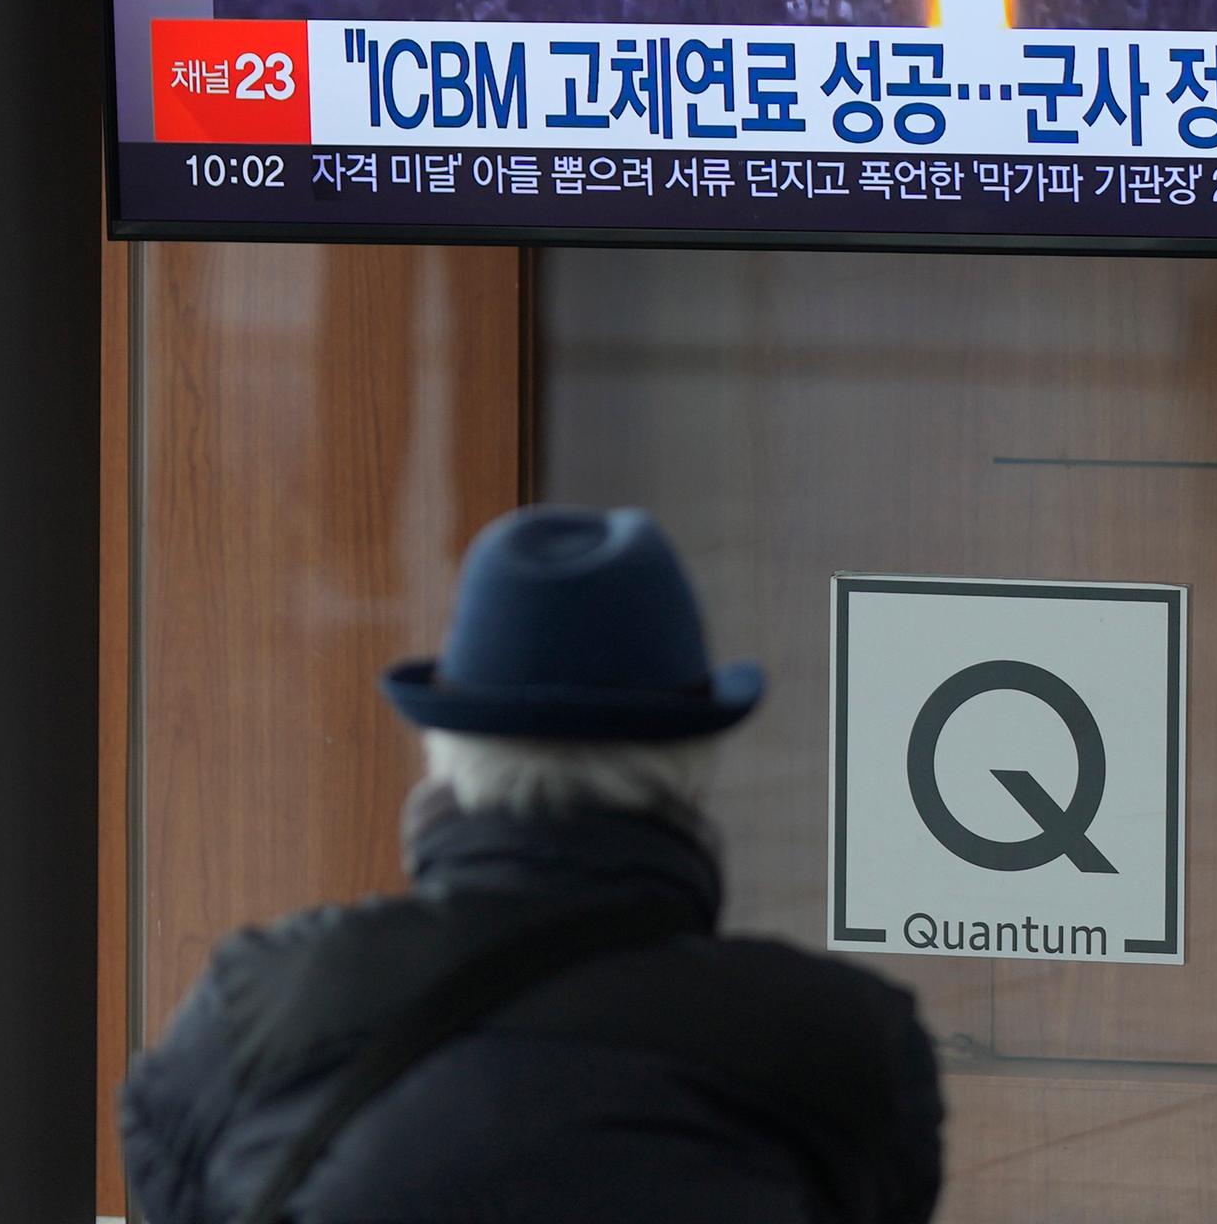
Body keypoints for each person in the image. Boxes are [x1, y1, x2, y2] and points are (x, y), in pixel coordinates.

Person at [121, 507, 947, 1224]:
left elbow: (173, 1182)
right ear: (692, 773)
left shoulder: (257, 1014)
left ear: (445, 760)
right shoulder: (844, 1050)